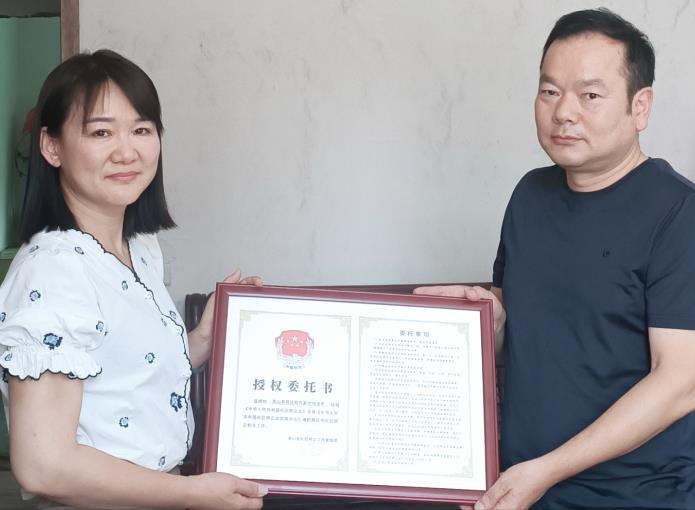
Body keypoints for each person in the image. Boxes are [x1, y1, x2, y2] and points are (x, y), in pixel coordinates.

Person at [416, 8, 695, 509]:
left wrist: (547, 470)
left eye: (590, 95)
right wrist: (488, 320)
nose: (564, 111)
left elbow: (680, 381)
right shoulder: (530, 195)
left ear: (640, 106)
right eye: (549, 91)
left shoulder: (679, 212)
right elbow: (531, 327)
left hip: (634, 495)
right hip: (519, 484)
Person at [0, 49, 266, 509]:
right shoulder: (55, 270)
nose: (127, 152)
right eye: (101, 132)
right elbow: (44, 464)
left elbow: (124, 376)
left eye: (141, 130)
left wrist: (202, 340)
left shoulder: (139, 248)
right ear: (52, 146)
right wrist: (191, 493)